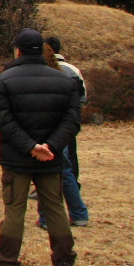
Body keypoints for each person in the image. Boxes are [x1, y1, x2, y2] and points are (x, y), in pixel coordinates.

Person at [0, 28, 79, 266]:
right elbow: (72, 120)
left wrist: (29, 146)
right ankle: (64, 261)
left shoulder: (4, 80)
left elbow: (2, 120)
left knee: (15, 210)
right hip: (50, 157)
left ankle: (6, 264)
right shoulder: (64, 81)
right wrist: (51, 146)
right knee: (55, 207)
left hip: (16, 157)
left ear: (18, 51)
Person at [44, 36, 86, 182]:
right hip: (70, 119)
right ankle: (72, 181)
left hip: (50, 120)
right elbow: (82, 96)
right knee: (71, 152)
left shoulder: (43, 70)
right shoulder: (73, 70)